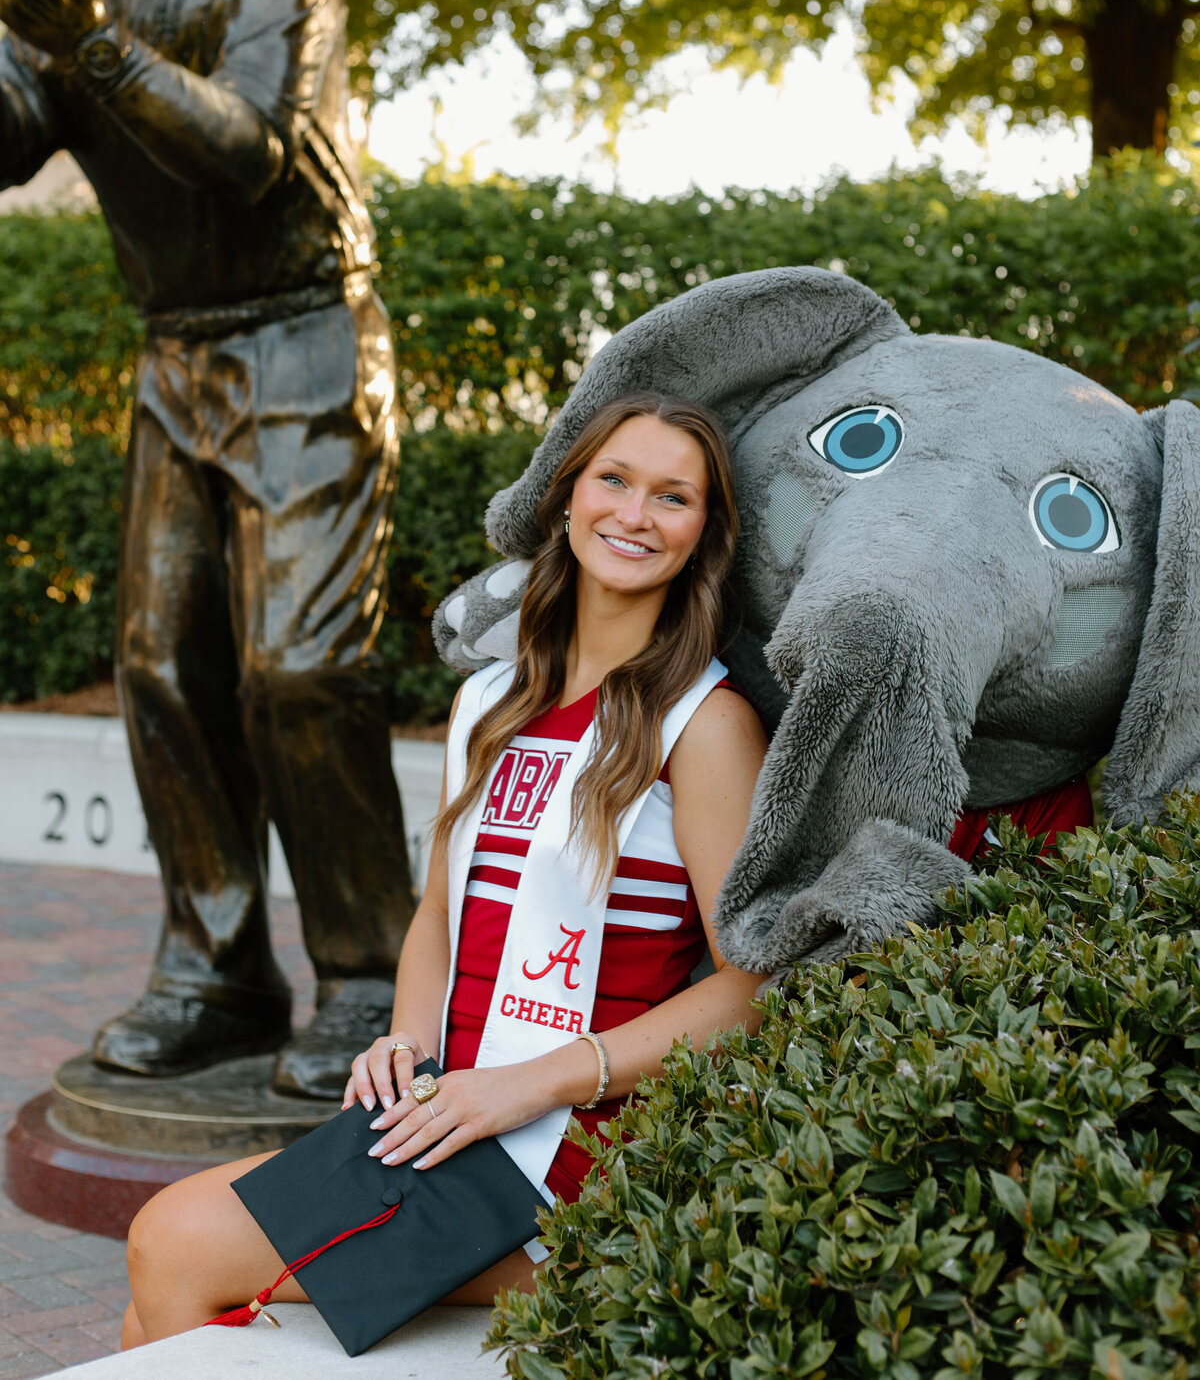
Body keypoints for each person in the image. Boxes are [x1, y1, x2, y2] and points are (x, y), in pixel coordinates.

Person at [120, 391, 770, 1344]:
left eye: (673, 498)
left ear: (703, 536)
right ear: (566, 498)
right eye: (614, 480)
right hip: (452, 1112)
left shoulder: (705, 726)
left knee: (173, 1242)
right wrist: (406, 1041)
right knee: (149, 1310)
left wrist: (532, 1083)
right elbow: (438, 914)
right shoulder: (492, 699)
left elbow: (750, 989)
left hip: (571, 1149)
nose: (635, 515)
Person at [0, 0, 413, 1095]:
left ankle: (370, 975)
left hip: (304, 336)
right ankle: (216, 973)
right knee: (162, 668)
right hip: (175, 351)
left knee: (304, 668)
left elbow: (248, 153)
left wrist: (86, 38)